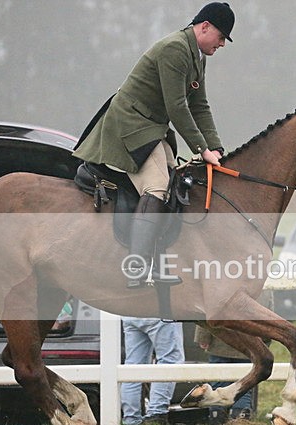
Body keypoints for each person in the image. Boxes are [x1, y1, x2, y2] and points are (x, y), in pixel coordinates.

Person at [73, 2, 234, 288]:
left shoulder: (197, 56)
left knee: (175, 180)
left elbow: (200, 105)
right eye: (221, 37)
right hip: (131, 125)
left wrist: (216, 147)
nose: (222, 44)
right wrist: (201, 149)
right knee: (157, 186)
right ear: (205, 26)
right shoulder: (175, 49)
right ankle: (136, 267)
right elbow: (177, 107)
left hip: (151, 128)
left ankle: (159, 260)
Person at [194, 291, 273, 425]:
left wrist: (203, 336)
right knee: (244, 385)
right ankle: (240, 422)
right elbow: (268, 312)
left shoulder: (218, 282)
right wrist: (264, 341)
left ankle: (217, 418)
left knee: (219, 381)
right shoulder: (261, 287)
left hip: (220, 340)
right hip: (249, 344)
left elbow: (205, 306)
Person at [120, 317, 185, 425]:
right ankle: (156, 416)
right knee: (169, 361)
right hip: (160, 313)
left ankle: (131, 421)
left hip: (129, 313)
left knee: (133, 367)